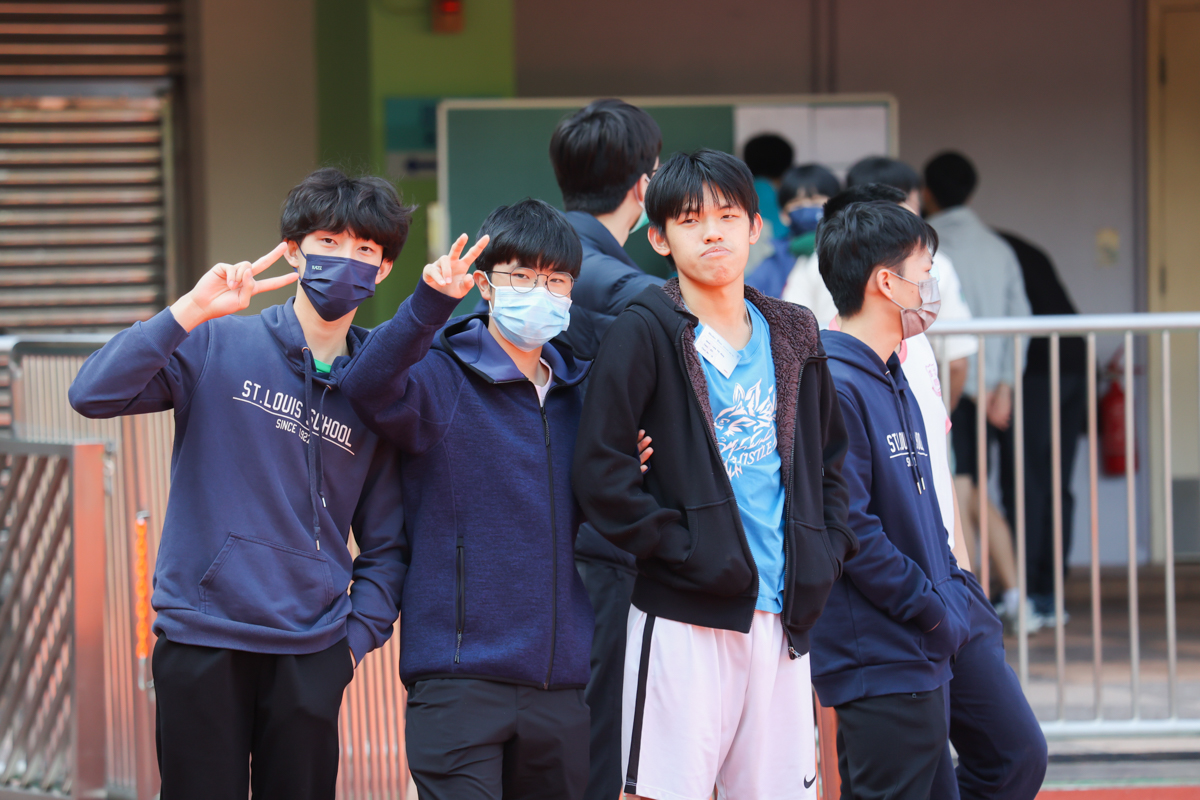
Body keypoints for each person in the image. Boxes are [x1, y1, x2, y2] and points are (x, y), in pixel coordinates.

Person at [68, 168, 410, 800]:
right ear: (294, 250)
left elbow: (388, 543)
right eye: (329, 242)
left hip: (312, 652)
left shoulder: (377, 388)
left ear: (383, 269)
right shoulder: (217, 343)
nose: (346, 259)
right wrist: (190, 311)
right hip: (202, 638)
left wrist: (350, 645)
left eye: (365, 249)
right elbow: (92, 394)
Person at [336, 199, 648, 800]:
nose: (541, 292)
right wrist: (428, 303)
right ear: (485, 285)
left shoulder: (582, 393)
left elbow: (602, 514)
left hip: (562, 684)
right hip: (459, 679)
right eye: (522, 276)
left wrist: (624, 472)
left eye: (556, 280)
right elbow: (365, 385)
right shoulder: (440, 374)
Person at [573, 149, 856, 800]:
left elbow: (831, 462)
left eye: (728, 216)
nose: (712, 233)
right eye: (690, 219)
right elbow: (600, 471)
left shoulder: (794, 330)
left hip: (782, 617)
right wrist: (681, 551)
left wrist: (826, 550)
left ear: (756, 227)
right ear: (659, 238)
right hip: (684, 616)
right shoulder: (644, 330)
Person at [813, 199, 1045, 800]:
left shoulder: (894, 374)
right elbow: (851, 529)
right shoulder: (835, 382)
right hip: (886, 644)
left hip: (930, 619)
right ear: (887, 283)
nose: (933, 286)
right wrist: (931, 607)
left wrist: (955, 593)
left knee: (1014, 757)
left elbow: (922, 506)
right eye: (925, 270)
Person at [547, 97, 665, 800]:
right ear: (645, 186)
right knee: (592, 732)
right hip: (598, 537)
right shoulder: (629, 288)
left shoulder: (529, 259)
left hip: (536, 524)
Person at [923, 152, 1032, 606]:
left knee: (960, 495)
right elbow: (1020, 320)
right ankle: (1012, 593)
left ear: (927, 193)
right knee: (972, 494)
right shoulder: (998, 248)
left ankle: (979, 598)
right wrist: (1004, 385)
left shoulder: (922, 246)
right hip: (986, 388)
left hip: (949, 387)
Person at [998, 230, 1088, 625]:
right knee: (1054, 482)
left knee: (1026, 482)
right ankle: (1050, 593)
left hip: (1037, 370)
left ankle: (1030, 591)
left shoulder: (984, 248)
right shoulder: (1018, 246)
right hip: (1074, 361)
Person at [745, 163, 840, 298]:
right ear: (783, 215)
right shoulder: (776, 261)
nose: (806, 207)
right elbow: (746, 296)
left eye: (815, 201)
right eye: (797, 204)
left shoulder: (850, 251)